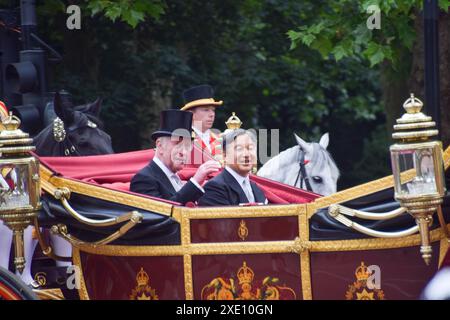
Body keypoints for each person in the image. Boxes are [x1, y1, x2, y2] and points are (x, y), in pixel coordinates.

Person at [130, 109, 220, 204]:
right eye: (177, 144)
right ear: (160, 145)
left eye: (187, 146)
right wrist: (195, 181)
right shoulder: (144, 179)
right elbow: (163, 214)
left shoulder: (175, 177)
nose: (183, 152)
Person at [198, 129, 267, 206]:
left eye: (250, 148)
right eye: (239, 149)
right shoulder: (214, 188)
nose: (246, 154)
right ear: (224, 155)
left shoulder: (257, 188)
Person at [181, 84, 223, 166]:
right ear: (191, 114)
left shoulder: (219, 138)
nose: (212, 114)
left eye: (213, 110)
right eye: (206, 110)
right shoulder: (182, 139)